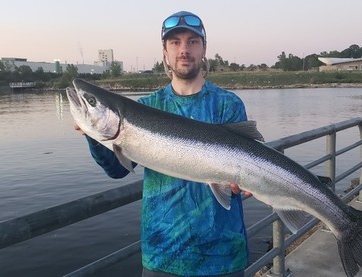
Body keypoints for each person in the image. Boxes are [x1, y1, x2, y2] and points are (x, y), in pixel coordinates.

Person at [74, 11, 250, 277]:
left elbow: (244, 172)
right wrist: (94, 137)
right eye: (175, 42)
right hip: (163, 254)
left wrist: (243, 184)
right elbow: (118, 170)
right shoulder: (146, 107)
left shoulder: (228, 105)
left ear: (204, 49)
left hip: (223, 255)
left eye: (192, 41)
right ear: (165, 51)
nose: (184, 49)